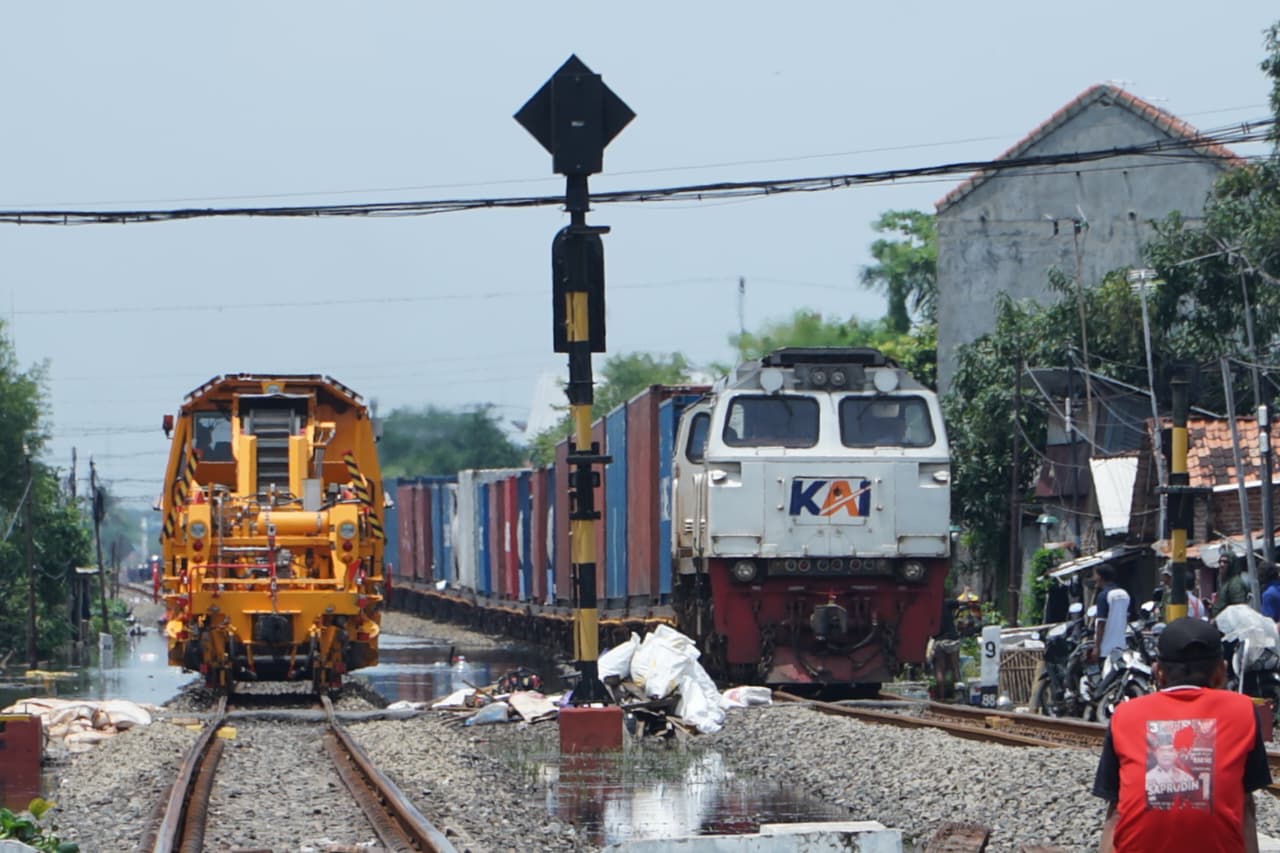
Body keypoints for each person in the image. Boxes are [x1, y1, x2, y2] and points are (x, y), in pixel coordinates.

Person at [1092, 617, 1271, 851]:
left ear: (1158, 672)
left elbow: (1115, 810)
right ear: (1221, 671)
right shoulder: (1242, 710)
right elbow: (1246, 805)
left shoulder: (1125, 715)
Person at [1094, 564, 1131, 660]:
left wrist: (1097, 647)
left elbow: (1101, 623)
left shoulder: (1103, 595)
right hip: (1121, 646)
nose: (1094, 578)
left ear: (1100, 577)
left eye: (1095, 575)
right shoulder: (1124, 594)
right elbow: (1127, 618)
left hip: (1106, 649)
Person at [1212, 552, 1251, 619]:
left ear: (1232, 565)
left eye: (1225, 562)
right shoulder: (1225, 582)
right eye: (1220, 562)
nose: (1221, 564)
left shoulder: (1235, 583)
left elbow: (1238, 609)